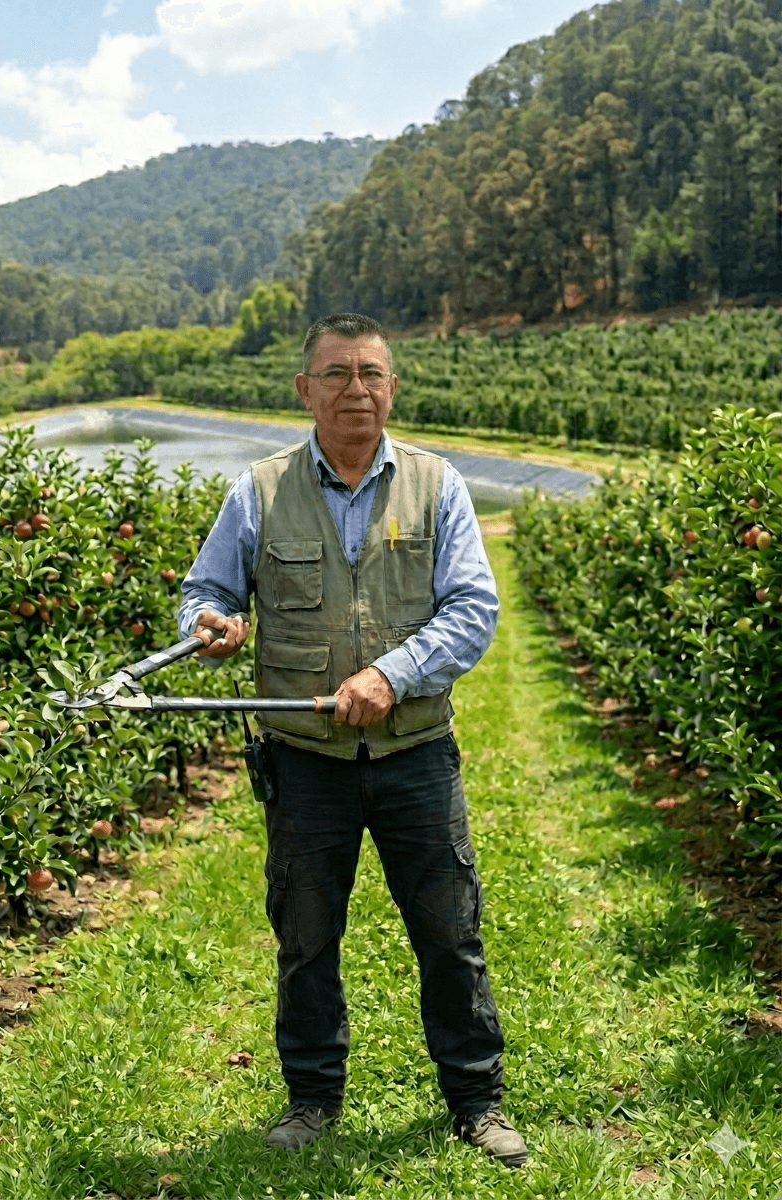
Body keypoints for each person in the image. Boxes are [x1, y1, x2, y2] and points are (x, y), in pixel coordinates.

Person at [177, 312, 527, 1167]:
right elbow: (205, 591)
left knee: (449, 932)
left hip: (415, 755)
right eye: (336, 374)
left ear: (393, 387)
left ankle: (476, 1100)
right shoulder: (258, 491)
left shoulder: (438, 484)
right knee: (305, 937)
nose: (355, 389)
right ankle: (310, 1099)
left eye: (371, 372)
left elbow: (474, 610)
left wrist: (391, 675)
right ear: (305, 389)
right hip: (305, 762)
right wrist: (211, 622)